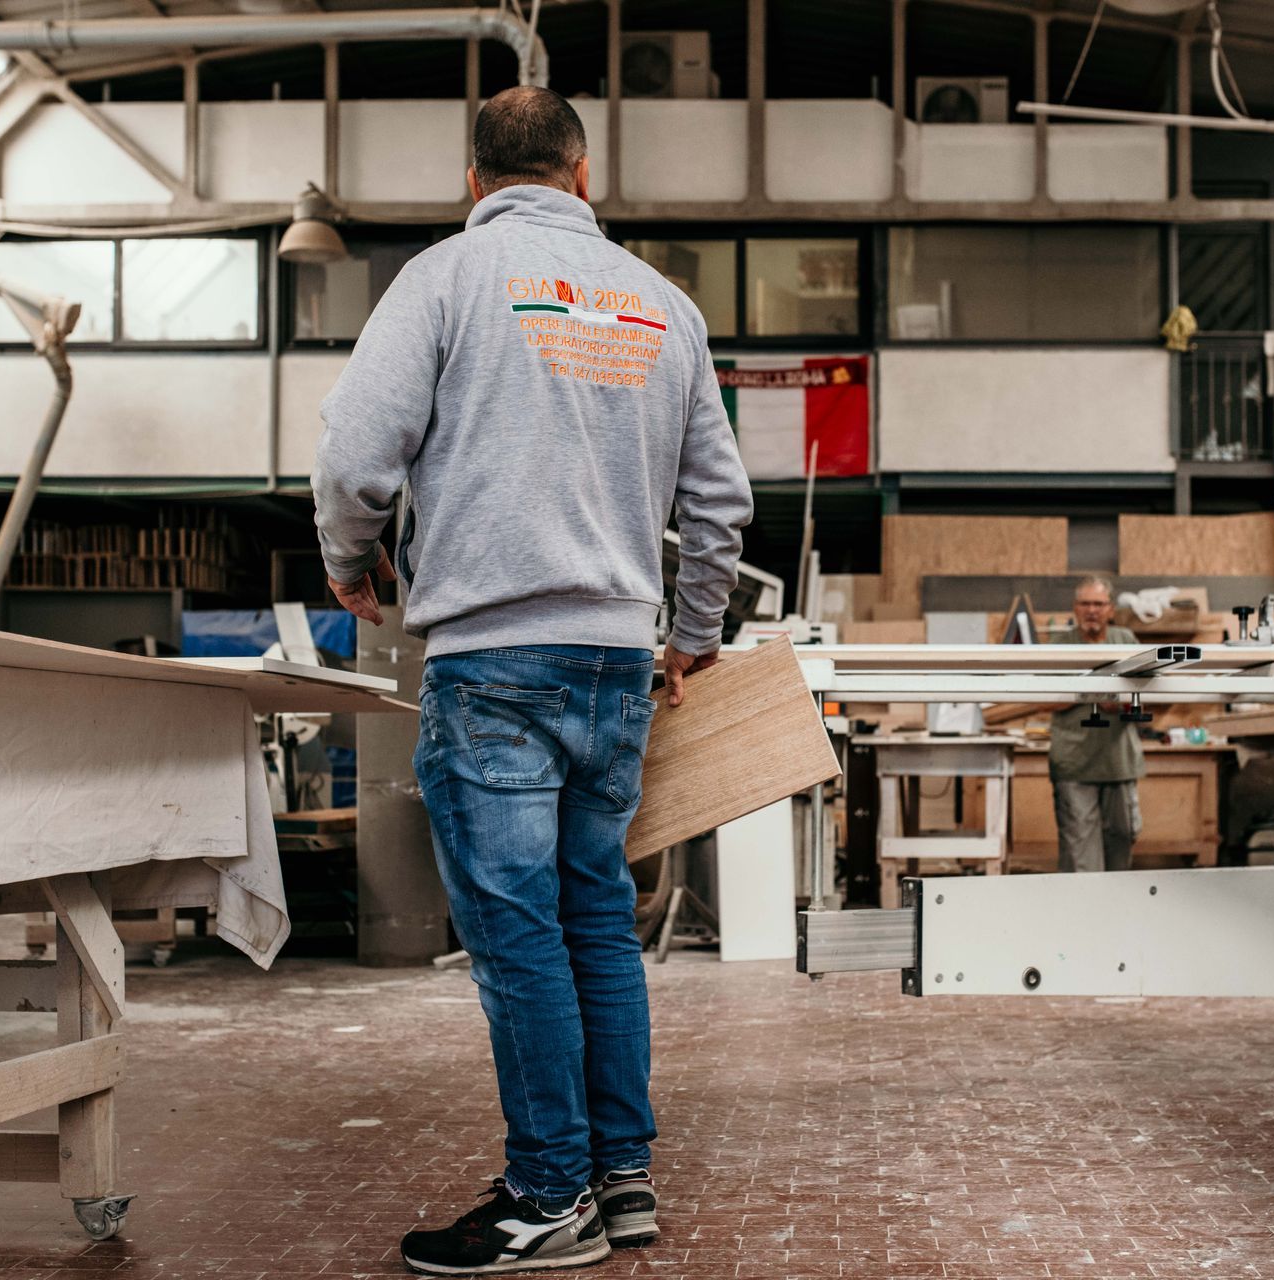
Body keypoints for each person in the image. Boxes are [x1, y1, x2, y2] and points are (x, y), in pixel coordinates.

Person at [311, 86, 754, 1276]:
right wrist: (691, 632)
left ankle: (550, 1193)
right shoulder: (664, 304)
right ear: (582, 171)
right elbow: (721, 503)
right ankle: (620, 1176)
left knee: (516, 937)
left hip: (494, 661)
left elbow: (354, 455)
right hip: (615, 664)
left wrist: (351, 562)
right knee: (596, 921)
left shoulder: (446, 280)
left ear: (475, 181)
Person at [1049, 575, 1145, 873]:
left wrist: (1120, 703)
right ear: (1075, 608)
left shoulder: (1125, 640)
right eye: (1085, 603)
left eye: (1099, 604)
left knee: (1122, 842)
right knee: (1081, 854)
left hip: (1119, 762)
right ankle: (1081, 904)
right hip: (1074, 764)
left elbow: (1146, 693)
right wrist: (1090, 692)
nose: (1092, 610)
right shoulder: (1059, 645)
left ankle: (1113, 903)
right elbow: (1043, 698)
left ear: (1110, 609)